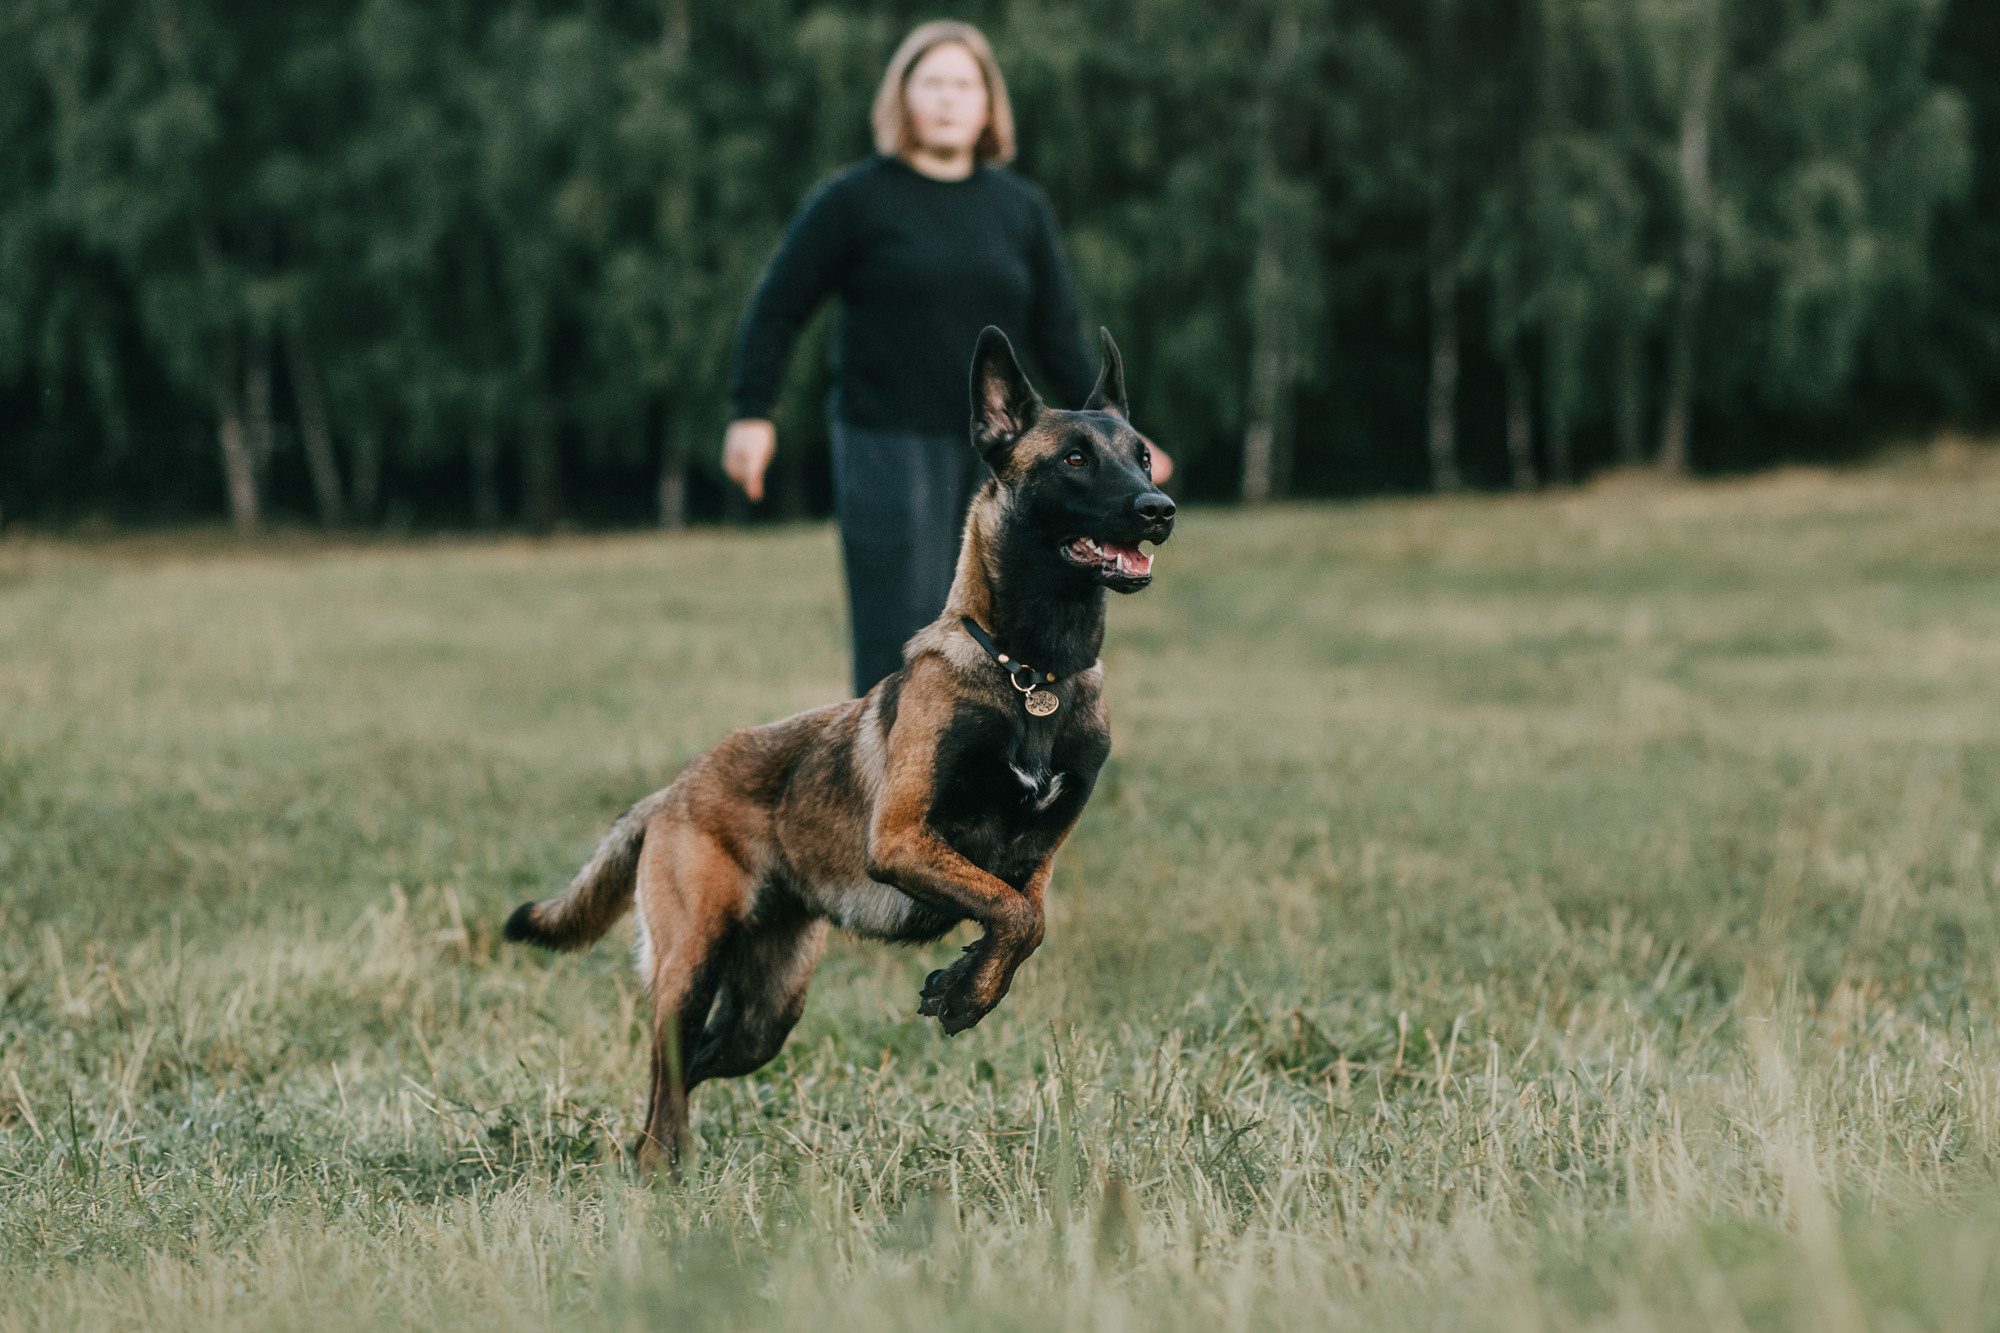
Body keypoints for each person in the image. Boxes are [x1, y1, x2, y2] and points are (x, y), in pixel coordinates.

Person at [723, 19, 1173, 697]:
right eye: (930, 82)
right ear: (901, 100)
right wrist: (752, 412)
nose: (947, 98)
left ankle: (991, 781)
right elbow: (778, 305)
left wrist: (1118, 446)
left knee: (1005, 620)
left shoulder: (1020, 210)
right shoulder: (853, 200)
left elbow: (1058, 334)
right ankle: (884, 784)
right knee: (900, 626)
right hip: (885, 442)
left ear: (989, 104)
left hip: (1003, 456)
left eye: (964, 84)